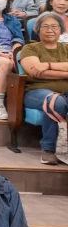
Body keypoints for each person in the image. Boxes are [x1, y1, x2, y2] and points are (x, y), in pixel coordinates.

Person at [19, 12, 68, 165]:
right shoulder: (30, 48)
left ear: (61, 30)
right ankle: (49, 149)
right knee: (56, 101)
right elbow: (34, 71)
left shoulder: (66, 48)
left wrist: (47, 65)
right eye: (45, 26)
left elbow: (41, 70)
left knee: (60, 99)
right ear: (38, 30)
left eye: (54, 26)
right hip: (36, 92)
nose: (50, 30)